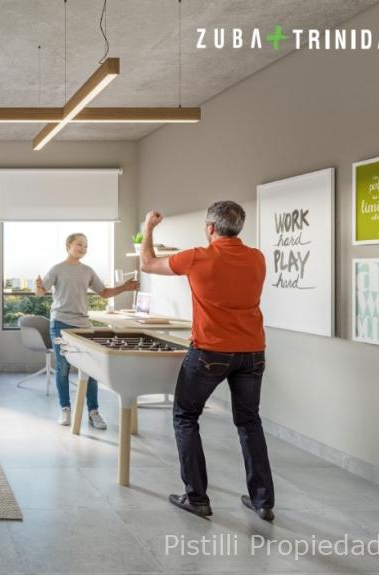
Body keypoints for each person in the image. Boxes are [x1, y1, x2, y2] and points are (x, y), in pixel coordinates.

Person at [138, 202, 275, 521]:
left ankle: (197, 497)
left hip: (210, 352)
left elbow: (147, 263)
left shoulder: (197, 257)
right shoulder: (257, 258)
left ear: (210, 228)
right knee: (249, 422)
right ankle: (263, 501)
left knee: (185, 417)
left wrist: (148, 228)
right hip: (252, 352)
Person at [35, 233, 139, 429]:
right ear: (68, 245)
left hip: (83, 324)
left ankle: (93, 412)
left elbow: (104, 293)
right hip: (60, 323)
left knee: (90, 369)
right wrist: (38, 287)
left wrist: (125, 287)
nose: (83, 248)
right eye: (79, 244)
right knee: (63, 368)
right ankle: (65, 409)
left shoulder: (88, 271)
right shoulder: (57, 269)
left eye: (85, 246)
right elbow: (41, 292)